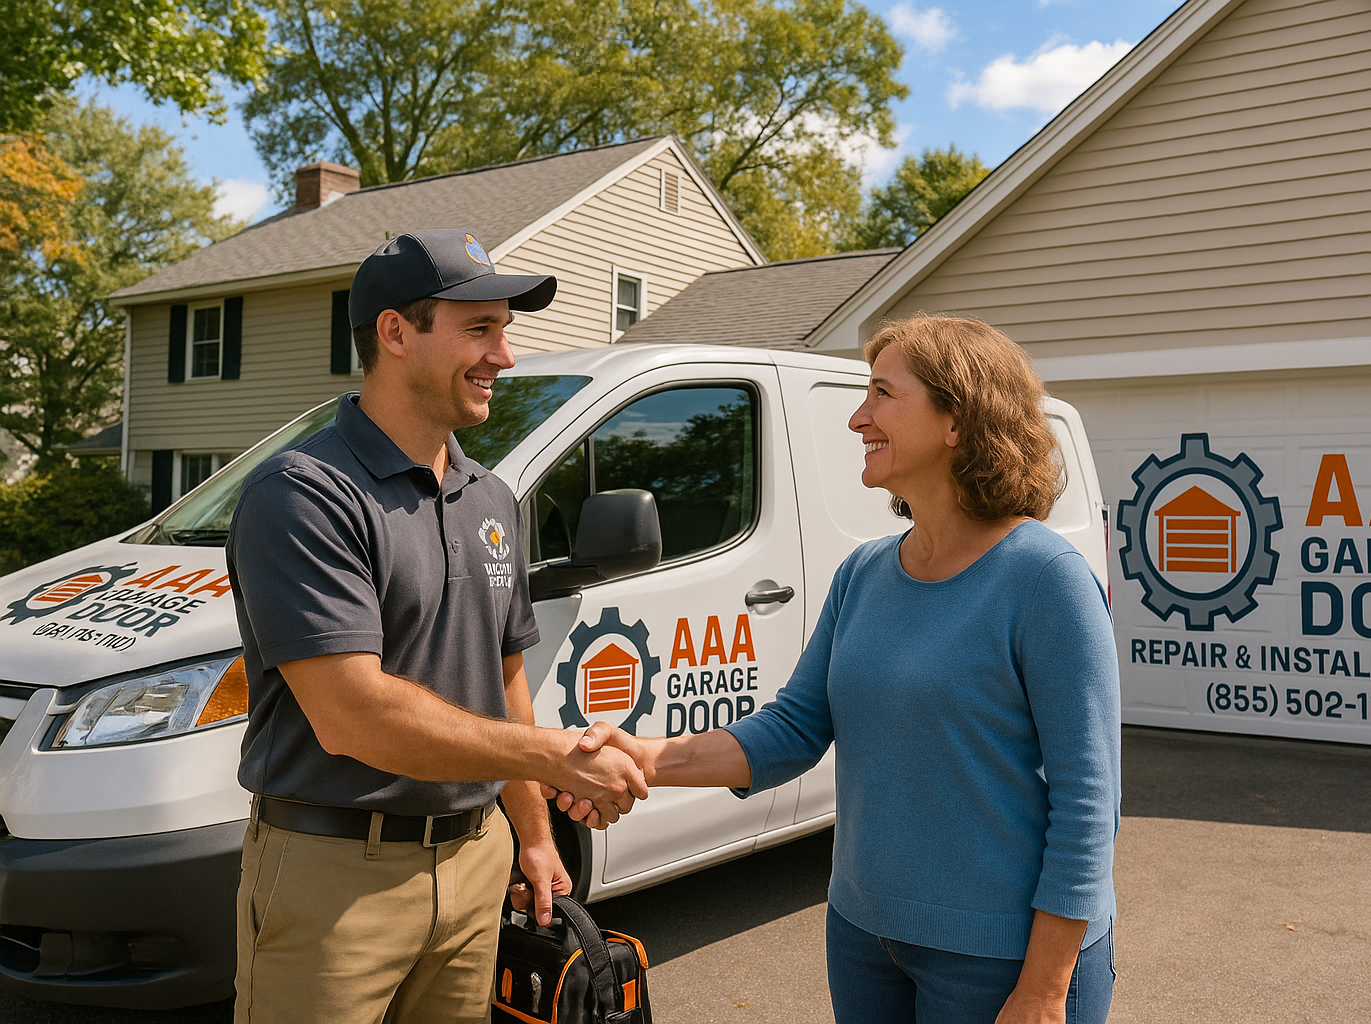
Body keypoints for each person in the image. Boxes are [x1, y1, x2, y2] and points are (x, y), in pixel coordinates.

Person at [553, 313, 1120, 1024]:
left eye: (883, 394)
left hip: (1002, 957)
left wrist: (1045, 988)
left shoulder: (1046, 578)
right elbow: (793, 729)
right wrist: (645, 758)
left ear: (957, 420)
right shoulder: (865, 572)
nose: (858, 418)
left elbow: (1088, 804)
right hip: (864, 938)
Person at [225, 229, 647, 1024]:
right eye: (479, 329)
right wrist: (555, 756)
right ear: (394, 332)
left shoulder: (493, 498)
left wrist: (532, 835)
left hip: (478, 862)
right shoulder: (304, 493)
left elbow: (504, 678)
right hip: (336, 876)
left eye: (505, 330)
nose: (505, 356)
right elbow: (353, 714)